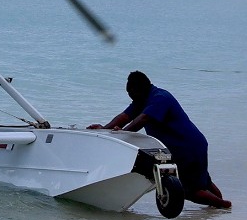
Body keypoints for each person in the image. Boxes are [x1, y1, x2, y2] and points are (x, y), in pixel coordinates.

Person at [90, 71, 231, 209]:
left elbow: (143, 118)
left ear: (139, 90)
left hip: (186, 147)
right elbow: (125, 116)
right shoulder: (143, 99)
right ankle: (221, 207)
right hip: (193, 145)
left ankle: (222, 204)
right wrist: (105, 129)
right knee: (204, 181)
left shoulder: (160, 98)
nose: (131, 99)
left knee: (187, 190)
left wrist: (123, 133)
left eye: (131, 95)